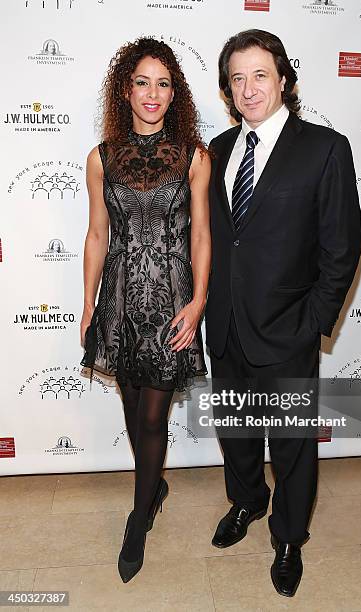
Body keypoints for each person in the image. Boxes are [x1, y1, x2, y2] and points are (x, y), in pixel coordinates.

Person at [206, 29, 361, 597]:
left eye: (259, 75)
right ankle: (247, 502)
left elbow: (342, 249)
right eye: (237, 79)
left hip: (288, 331)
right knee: (237, 432)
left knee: (292, 444)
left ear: (284, 79)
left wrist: (311, 322)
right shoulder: (215, 153)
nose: (248, 89)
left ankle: (290, 536)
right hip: (224, 327)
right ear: (227, 89)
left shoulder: (324, 148)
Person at [80, 37, 211, 583]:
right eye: (142, 82)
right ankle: (151, 482)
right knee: (134, 411)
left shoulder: (194, 155)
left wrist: (198, 301)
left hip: (172, 302)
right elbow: (96, 234)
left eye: (163, 83)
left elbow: (201, 234)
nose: (152, 93)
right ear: (125, 90)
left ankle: (139, 516)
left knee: (154, 414)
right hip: (118, 302)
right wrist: (87, 306)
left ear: (174, 92)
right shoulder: (102, 157)